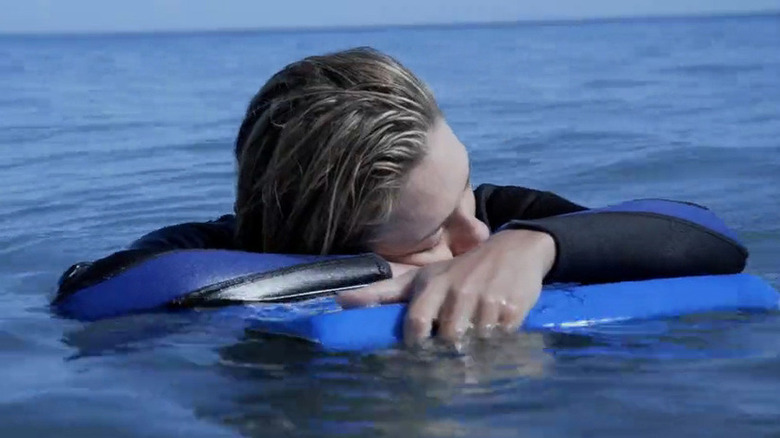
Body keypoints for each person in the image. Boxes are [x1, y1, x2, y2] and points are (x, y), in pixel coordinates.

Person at [56, 47, 747, 345]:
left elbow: (708, 235)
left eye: (464, 189)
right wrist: (389, 273)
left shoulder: (495, 216)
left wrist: (535, 245)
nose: (471, 237)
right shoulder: (219, 247)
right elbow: (90, 295)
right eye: (429, 235)